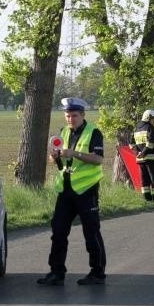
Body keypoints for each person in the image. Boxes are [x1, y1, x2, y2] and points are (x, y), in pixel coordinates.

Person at [37, 97, 107, 286]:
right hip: (65, 189)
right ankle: (56, 271)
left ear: (83, 115)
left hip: (86, 190)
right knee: (58, 231)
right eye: (67, 115)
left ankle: (97, 272)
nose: (70, 119)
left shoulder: (94, 133)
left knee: (91, 231)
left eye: (74, 115)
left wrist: (74, 153)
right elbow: (59, 163)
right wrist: (55, 157)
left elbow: (99, 159)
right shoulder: (63, 132)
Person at [129, 109, 154, 204]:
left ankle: (147, 199)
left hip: (140, 159)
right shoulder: (150, 128)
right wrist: (143, 152)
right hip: (151, 158)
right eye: (153, 119)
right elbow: (150, 143)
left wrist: (137, 153)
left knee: (144, 179)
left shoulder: (136, 128)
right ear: (148, 118)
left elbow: (131, 143)